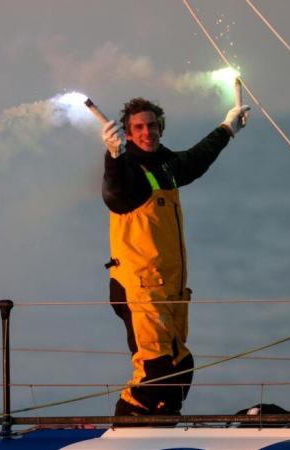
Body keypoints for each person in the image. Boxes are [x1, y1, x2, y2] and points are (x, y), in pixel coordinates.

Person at [101, 97, 249, 418]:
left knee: (181, 366)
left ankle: (163, 424)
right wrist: (113, 155)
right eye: (138, 128)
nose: (147, 132)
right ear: (127, 134)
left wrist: (227, 129)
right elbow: (113, 191)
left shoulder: (165, 166)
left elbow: (195, 160)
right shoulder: (128, 170)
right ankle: (123, 429)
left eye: (152, 125)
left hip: (170, 290)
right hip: (140, 289)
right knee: (154, 373)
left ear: (161, 128)